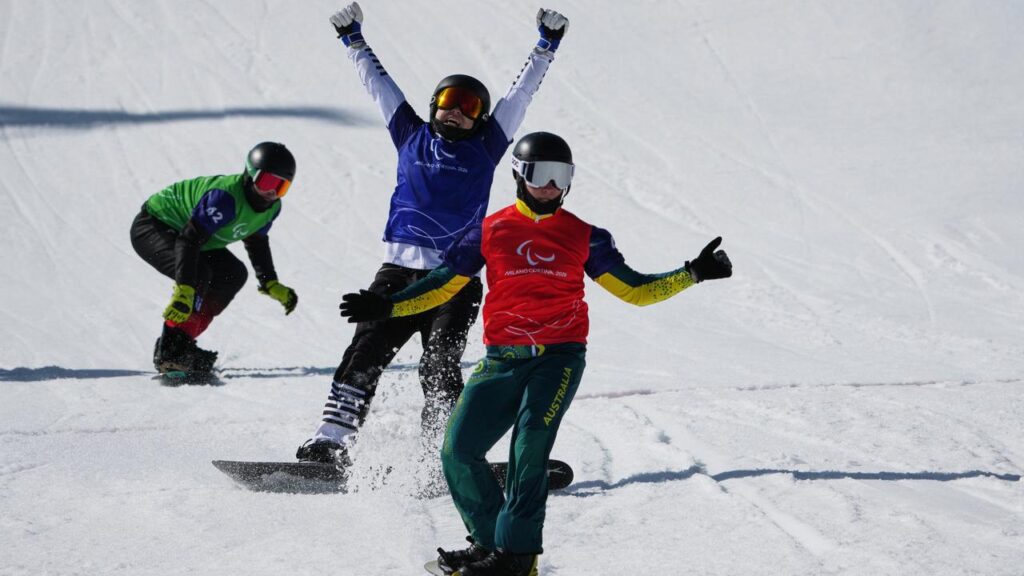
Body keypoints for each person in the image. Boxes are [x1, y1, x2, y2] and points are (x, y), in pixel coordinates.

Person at [339, 132, 733, 576]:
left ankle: (518, 558)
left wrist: (692, 273)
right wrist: (389, 306)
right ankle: (491, 544)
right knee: (458, 450)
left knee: (528, 449)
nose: (549, 186)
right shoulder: (489, 231)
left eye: (559, 176)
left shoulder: (585, 236)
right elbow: (442, 284)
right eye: (539, 175)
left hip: (558, 357)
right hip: (501, 360)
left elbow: (635, 290)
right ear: (519, 176)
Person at [296, 3, 571, 469]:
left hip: (455, 281)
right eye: (449, 103)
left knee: (440, 366)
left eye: (470, 107)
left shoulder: (488, 146)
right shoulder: (410, 134)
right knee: (365, 351)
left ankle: (442, 455)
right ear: (434, 108)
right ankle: (331, 441)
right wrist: (355, 41)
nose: (457, 113)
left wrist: (546, 46)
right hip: (398, 273)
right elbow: (380, 86)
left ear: (482, 118)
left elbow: (519, 96)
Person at [130, 142, 299, 380]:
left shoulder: (272, 208)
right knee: (197, 275)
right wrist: (184, 289)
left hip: (196, 239)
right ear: (251, 174)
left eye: (281, 187)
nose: (272, 192)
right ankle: (170, 351)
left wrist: (270, 282)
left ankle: (182, 342)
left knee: (232, 275)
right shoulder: (225, 198)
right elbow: (188, 241)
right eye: (268, 182)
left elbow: (256, 241)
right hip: (155, 226)